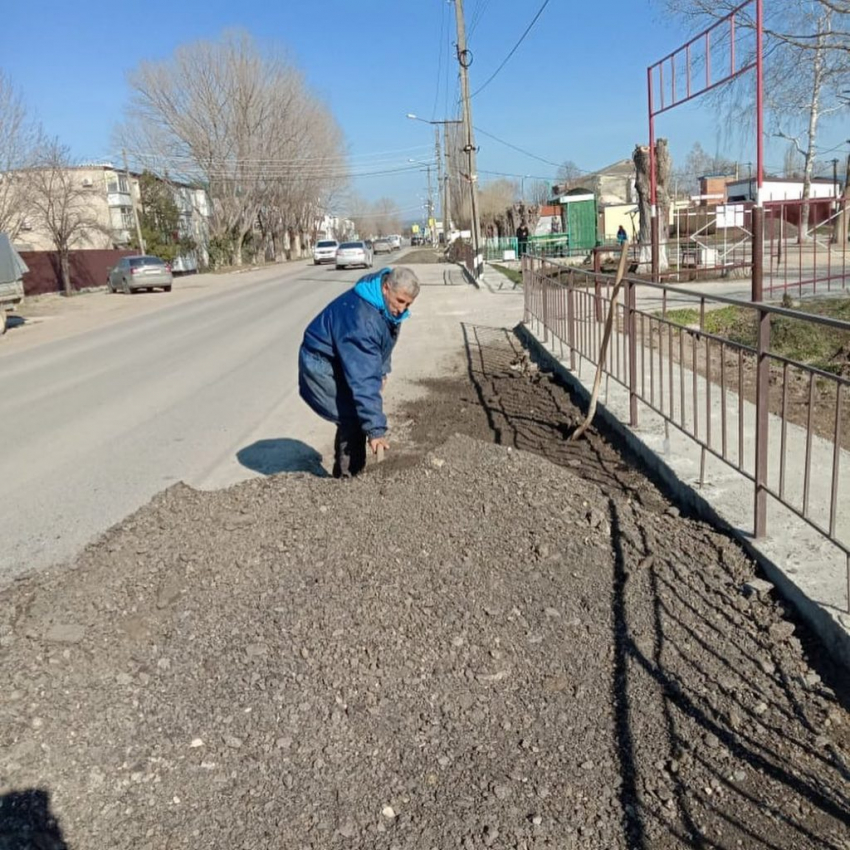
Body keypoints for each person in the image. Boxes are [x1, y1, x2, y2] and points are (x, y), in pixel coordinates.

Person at [298, 266, 421, 478]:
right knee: (353, 417)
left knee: (356, 411)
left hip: (339, 356)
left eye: (408, 304)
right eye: (400, 301)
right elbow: (363, 379)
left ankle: (351, 473)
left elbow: (383, 341)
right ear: (386, 288)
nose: (402, 309)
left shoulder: (384, 305)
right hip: (319, 362)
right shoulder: (362, 321)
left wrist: (382, 370)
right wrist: (375, 430)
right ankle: (349, 479)